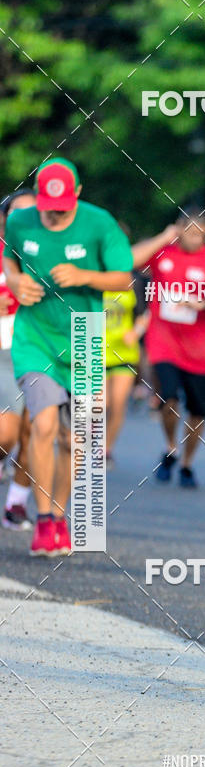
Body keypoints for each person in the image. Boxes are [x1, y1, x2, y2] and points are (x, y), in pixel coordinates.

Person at [3, 158, 133, 556]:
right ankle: (42, 520)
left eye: (62, 206)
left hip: (84, 337)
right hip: (36, 337)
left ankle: (59, 514)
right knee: (42, 424)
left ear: (77, 194)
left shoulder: (100, 223)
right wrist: (15, 279)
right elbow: (8, 256)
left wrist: (85, 277)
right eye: (48, 206)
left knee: (74, 437)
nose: (54, 214)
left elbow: (125, 276)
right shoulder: (21, 222)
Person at [132, 206, 205, 488]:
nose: (196, 239)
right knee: (168, 398)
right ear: (180, 229)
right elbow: (130, 259)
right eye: (190, 232)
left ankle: (187, 464)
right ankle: (170, 447)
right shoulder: (163, 253)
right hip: (163, 341)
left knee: (197, 412)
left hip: (199, 348)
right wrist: (163, 236)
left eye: (201, 234)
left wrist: (203, 303)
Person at [0, 188, 36, 529]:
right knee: (7, 435)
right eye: (16, 212)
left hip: (42, 352)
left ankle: (15, 506)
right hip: (3, 352)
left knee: (36, 431)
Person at [104, 285, 148, 467]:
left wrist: (136, 332)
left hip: (124, 354)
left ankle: (105, 450)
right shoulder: (92, 277)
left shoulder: (132, 284)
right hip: (97, 351)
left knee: (117, 403)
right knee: (100, 403)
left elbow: (144, 316)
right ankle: (89, 446)